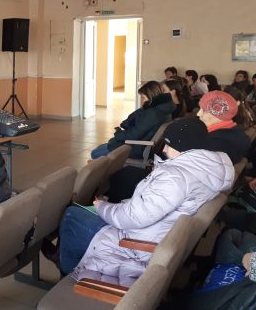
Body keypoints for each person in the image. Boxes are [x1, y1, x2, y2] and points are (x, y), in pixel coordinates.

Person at [59, 119, 233, 285]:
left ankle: (67, 275)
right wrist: (117, 206)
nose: (164, 149)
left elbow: (133, 217)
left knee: (71, 215)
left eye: (168, 144)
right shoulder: (206, 170)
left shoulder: (175, 178)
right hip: (155, 234)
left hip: (135, 245)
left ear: (183, 146)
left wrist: (101, 206)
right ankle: (65, 259)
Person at [90, 81, 175, 159]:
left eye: (143, 97)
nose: (142, 100)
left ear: (151, 97)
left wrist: (118, 134)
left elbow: (132, 135)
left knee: (95, 153)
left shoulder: (152, 114)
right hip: (141, 146)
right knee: (100, 148)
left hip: (136, 148)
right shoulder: (164, 110)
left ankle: (106, 170)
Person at [197, 90, 251, 164]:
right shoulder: (237, 132)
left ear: (218, 114)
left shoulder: (212, 144)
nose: (198, 114)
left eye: (203, 110)